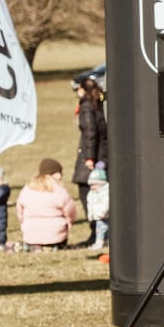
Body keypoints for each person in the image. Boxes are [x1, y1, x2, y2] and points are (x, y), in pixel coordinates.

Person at [71, 78, 107, 247]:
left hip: (92, 156)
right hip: (103, 154)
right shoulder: (99, 102)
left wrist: (89, 157)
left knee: (88, 193)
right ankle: (101, 233)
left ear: (82, 89)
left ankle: (96, 233)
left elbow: (90, 131)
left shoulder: (86, 106)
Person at [16, 158, 77, 251]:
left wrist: (23, 223)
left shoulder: (27, 188)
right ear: (55, 174)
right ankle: (54, 246)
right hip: (56, 236)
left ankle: (35, 246)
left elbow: (20, 210)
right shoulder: (59, 190)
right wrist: (69, 223)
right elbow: (70, 211)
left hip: (30, 236)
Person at [86, 166, 110, 251]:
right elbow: (90, 205)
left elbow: (106, 204)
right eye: (91, 185)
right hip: (99, 218)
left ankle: (107, 243)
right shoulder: (91, 193)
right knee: (99, 231)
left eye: (94, 184)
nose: (92, 187)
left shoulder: (106, 192)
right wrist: (90, 215)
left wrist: (101, 213)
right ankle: (99, 242)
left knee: (109, 231)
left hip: (106, 216)